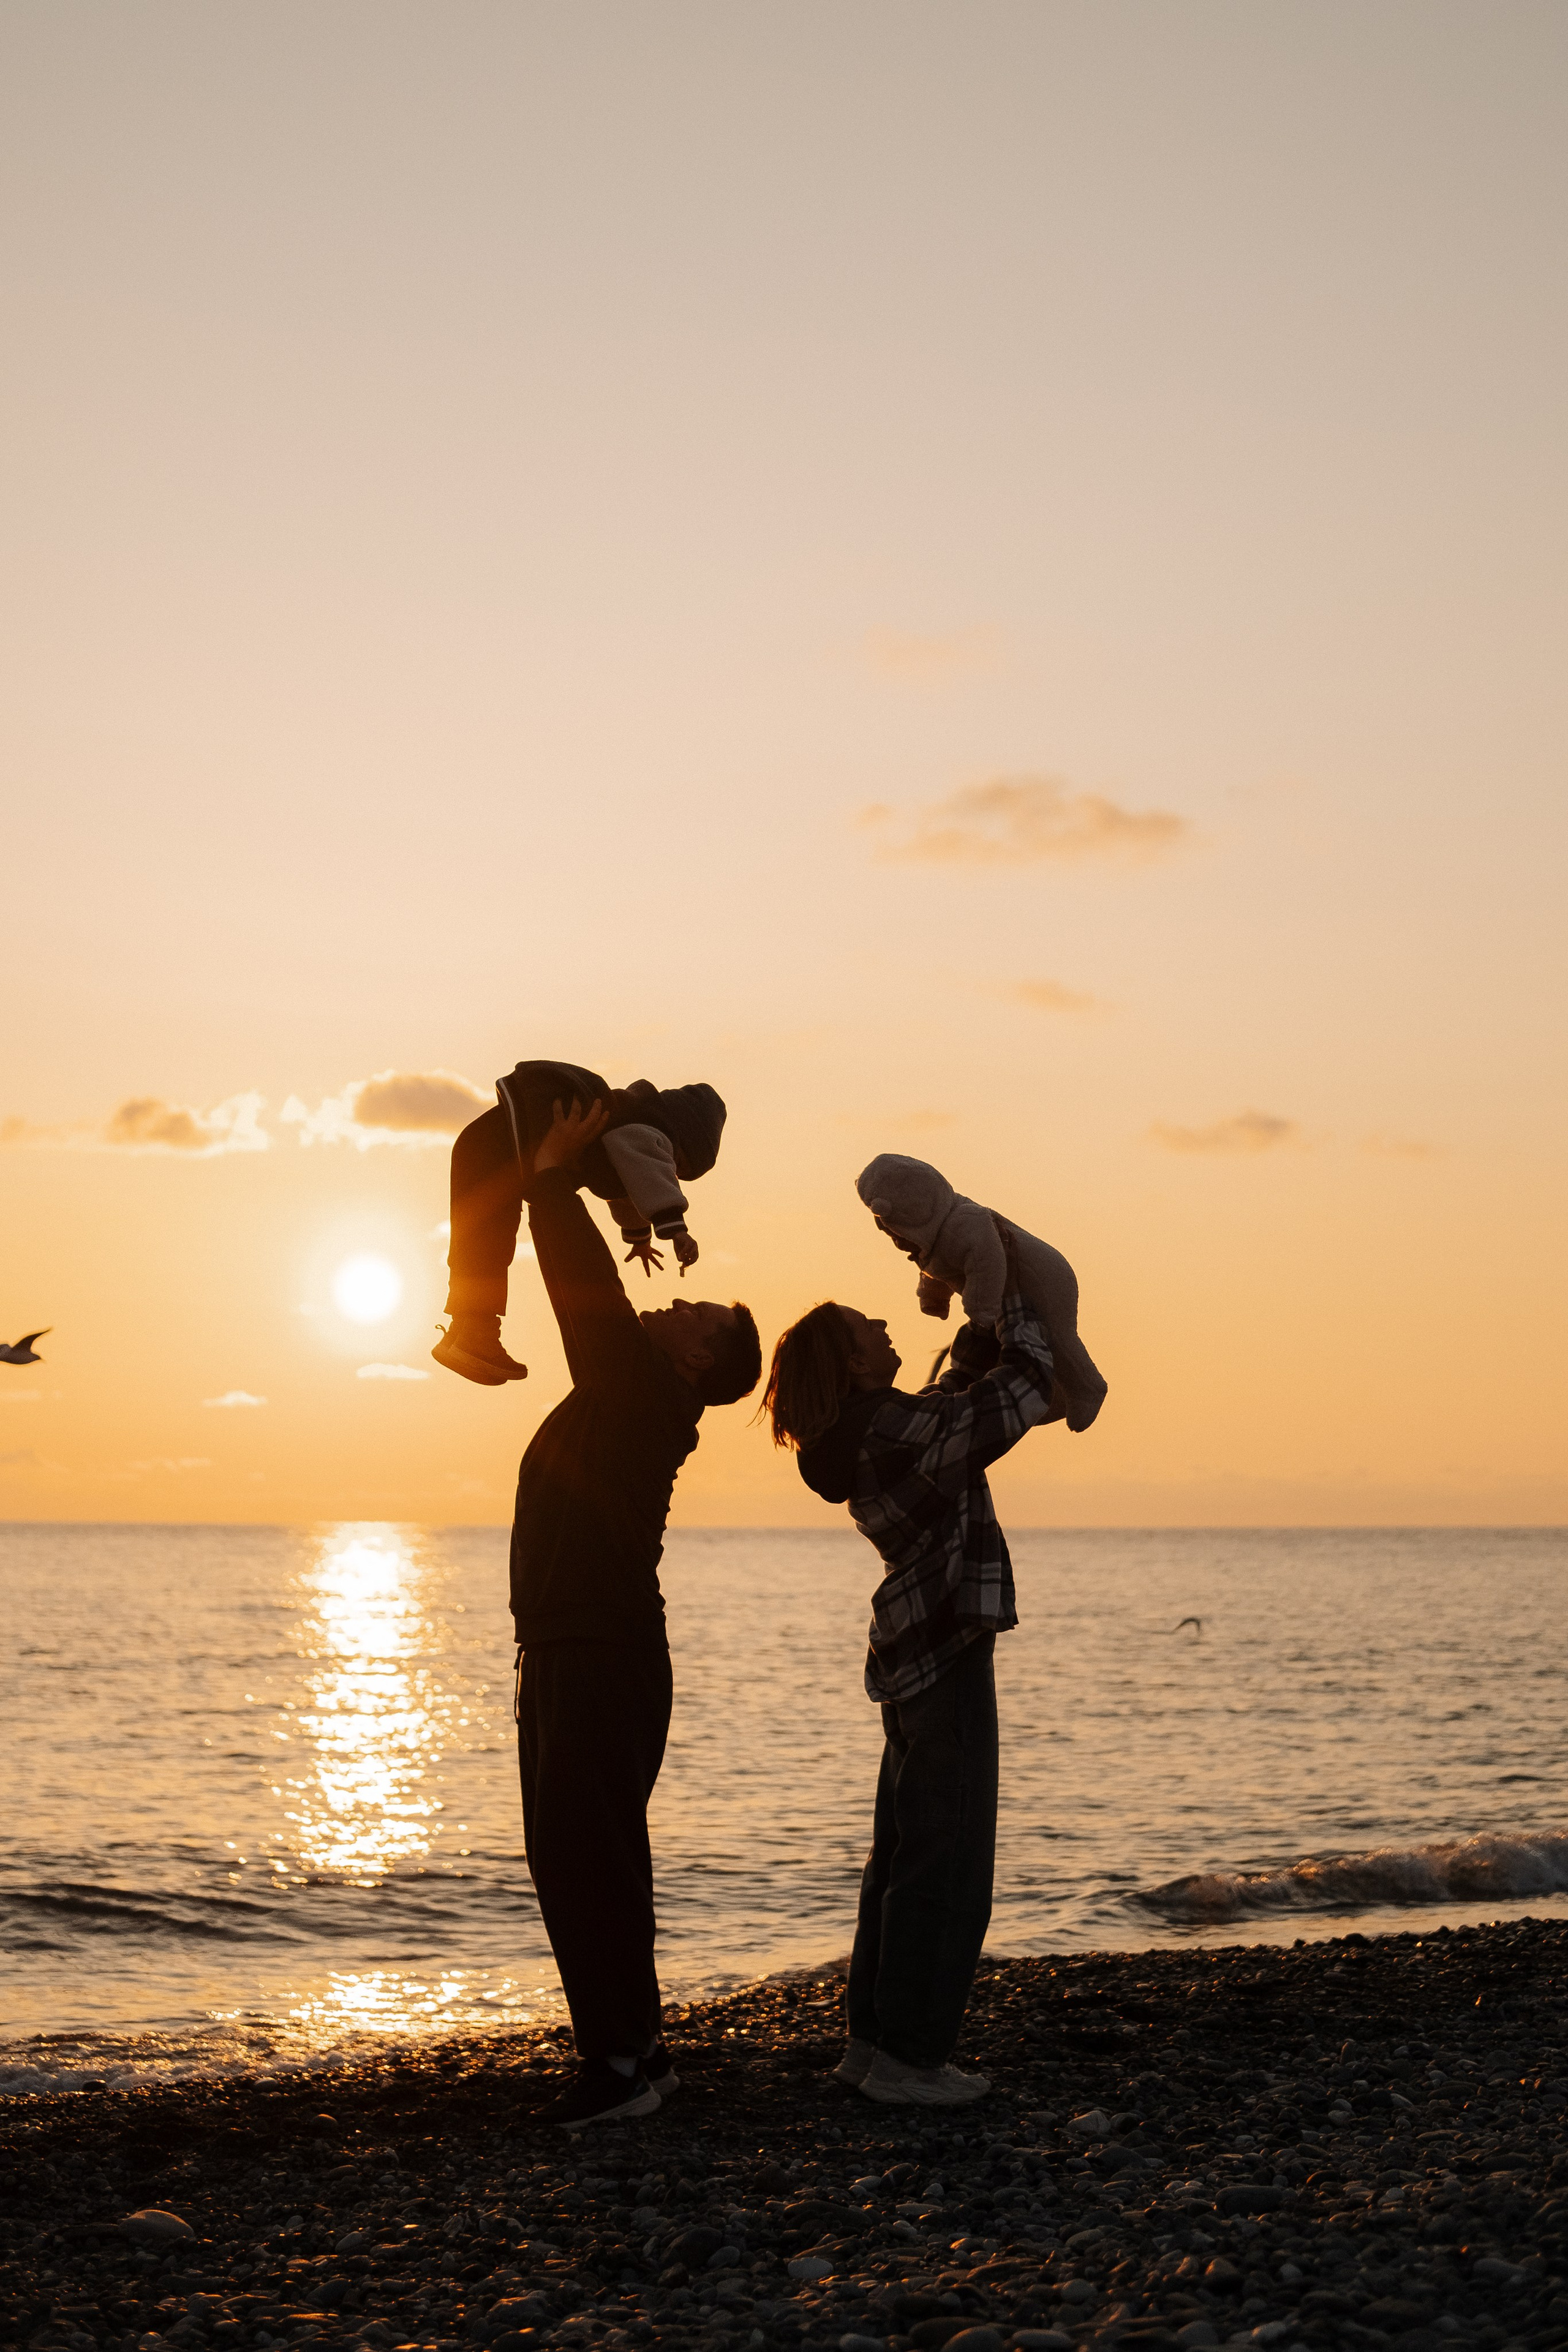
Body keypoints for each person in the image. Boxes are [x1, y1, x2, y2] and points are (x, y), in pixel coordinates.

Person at [511, 1095, 761, 2130]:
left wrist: (552, 1177)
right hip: (590, 1651)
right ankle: (638, 2052)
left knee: (584, 1858)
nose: (677, 1308)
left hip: (598, 1655)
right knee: (595, 1855)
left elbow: (584, 1302)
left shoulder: (641, 1397)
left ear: (699, 1366)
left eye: (696, 1318)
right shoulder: (638, 1399)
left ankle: (620, 2068)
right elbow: (605, 1313)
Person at [763, 1226, 1055, 2107]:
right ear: (851, 1368)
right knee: (948, 1855)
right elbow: (1005, 1406)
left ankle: (874, 2043)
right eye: (867, 1331)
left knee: (901, 1855)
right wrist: (1021, 1322)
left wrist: (969, 1346)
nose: (887, 1327)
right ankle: (912, 2057)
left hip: (914, 1653)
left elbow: (948, 1409)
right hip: (944, 1646)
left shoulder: (869, 1429)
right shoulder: (887, 1427)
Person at [434, 1058, 727, 1385]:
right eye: (678, 1169)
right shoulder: (645, 1132)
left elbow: (630, 1191)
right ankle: (475, 1331)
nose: (671, 1174)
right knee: (488, 1241)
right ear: (677, 1141)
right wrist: (676, 1229)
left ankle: (465, 1330)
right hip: (495, 1147)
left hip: (492, 1146)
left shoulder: (630, 1138)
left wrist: (639, 1238)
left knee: (481, 1238)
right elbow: (648, 1173)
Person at [856, 1151, 1107, 1431]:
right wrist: (934, 1297)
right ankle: (1055, 1394)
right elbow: (945, 1268)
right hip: (1006, 1293)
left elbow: (987, 1260)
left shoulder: (967, 1222)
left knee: (1058, 1336)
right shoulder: (934, 1240)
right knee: (1010, 1342)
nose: (898, 1242)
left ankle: (1087, 1386)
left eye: (897, 1233)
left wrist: (981, 1307)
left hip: (1042, 1278)